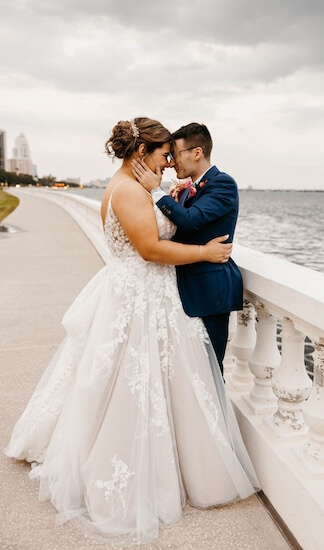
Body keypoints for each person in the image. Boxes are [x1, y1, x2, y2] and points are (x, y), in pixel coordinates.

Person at [5, 117, 259, 547]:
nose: (167, 166)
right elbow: (150, 248)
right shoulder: (127, 190)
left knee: (153, 383)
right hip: (140, 294)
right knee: (129, 384)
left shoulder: (134, 188)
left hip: (148, 293)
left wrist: (165, 195)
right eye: (163, 157)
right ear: (143, 154)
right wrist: (203, 251)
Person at [132, 122, 243, 374]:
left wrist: (155, 191)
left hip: (208, 291)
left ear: (196, 153)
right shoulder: (187, 188)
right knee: (188, 372)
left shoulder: (223, 184)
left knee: (210, 369)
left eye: (176, 154)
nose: (171, 162)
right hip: (181, 288)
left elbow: (192, 221)